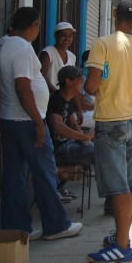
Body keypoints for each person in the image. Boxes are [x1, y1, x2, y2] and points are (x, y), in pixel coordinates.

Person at [0, 7, 83, 241]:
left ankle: (17, 227)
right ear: (33, 26)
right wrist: (38, 122)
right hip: (25, 120)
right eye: (38, 27)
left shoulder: (4, 42)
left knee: (15, 175)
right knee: (44, 172)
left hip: (8, 117)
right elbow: (22, 87)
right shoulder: (22, 48)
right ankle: (56, 225)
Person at [84, 0, 132, 263]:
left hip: (111, 121)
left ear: (114, 14)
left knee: (118, 187)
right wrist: (129, 92)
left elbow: (91, 87)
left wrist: (106, 84)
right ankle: (122, 236)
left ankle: (122, 245)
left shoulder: (102, 44)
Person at [46, 65, 95, 201]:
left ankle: (60, 186)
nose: (82, 82)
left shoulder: (68, 100)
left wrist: (85, 141)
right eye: (79, 79)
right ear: (68, 81)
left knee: (96, 149)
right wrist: (83, 137)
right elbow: (58, 126)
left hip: (66, 145)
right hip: (57, 150)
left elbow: (73, 123)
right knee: (97, 153)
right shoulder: (56, 100)